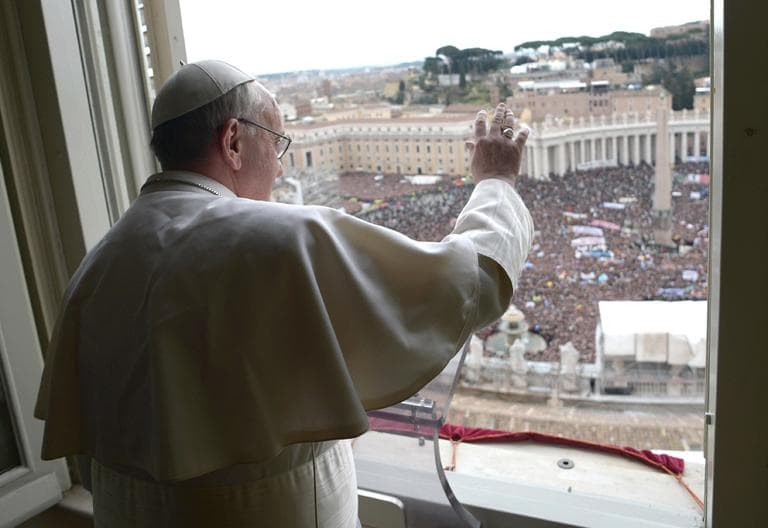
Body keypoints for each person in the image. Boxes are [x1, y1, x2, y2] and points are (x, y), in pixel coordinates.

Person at [34, 60, 533, 527]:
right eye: (276, 142)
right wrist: (496, 182)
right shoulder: (281, 238)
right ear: (232, 141)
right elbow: (469, 282)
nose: (279, 168)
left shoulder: (98, 262)